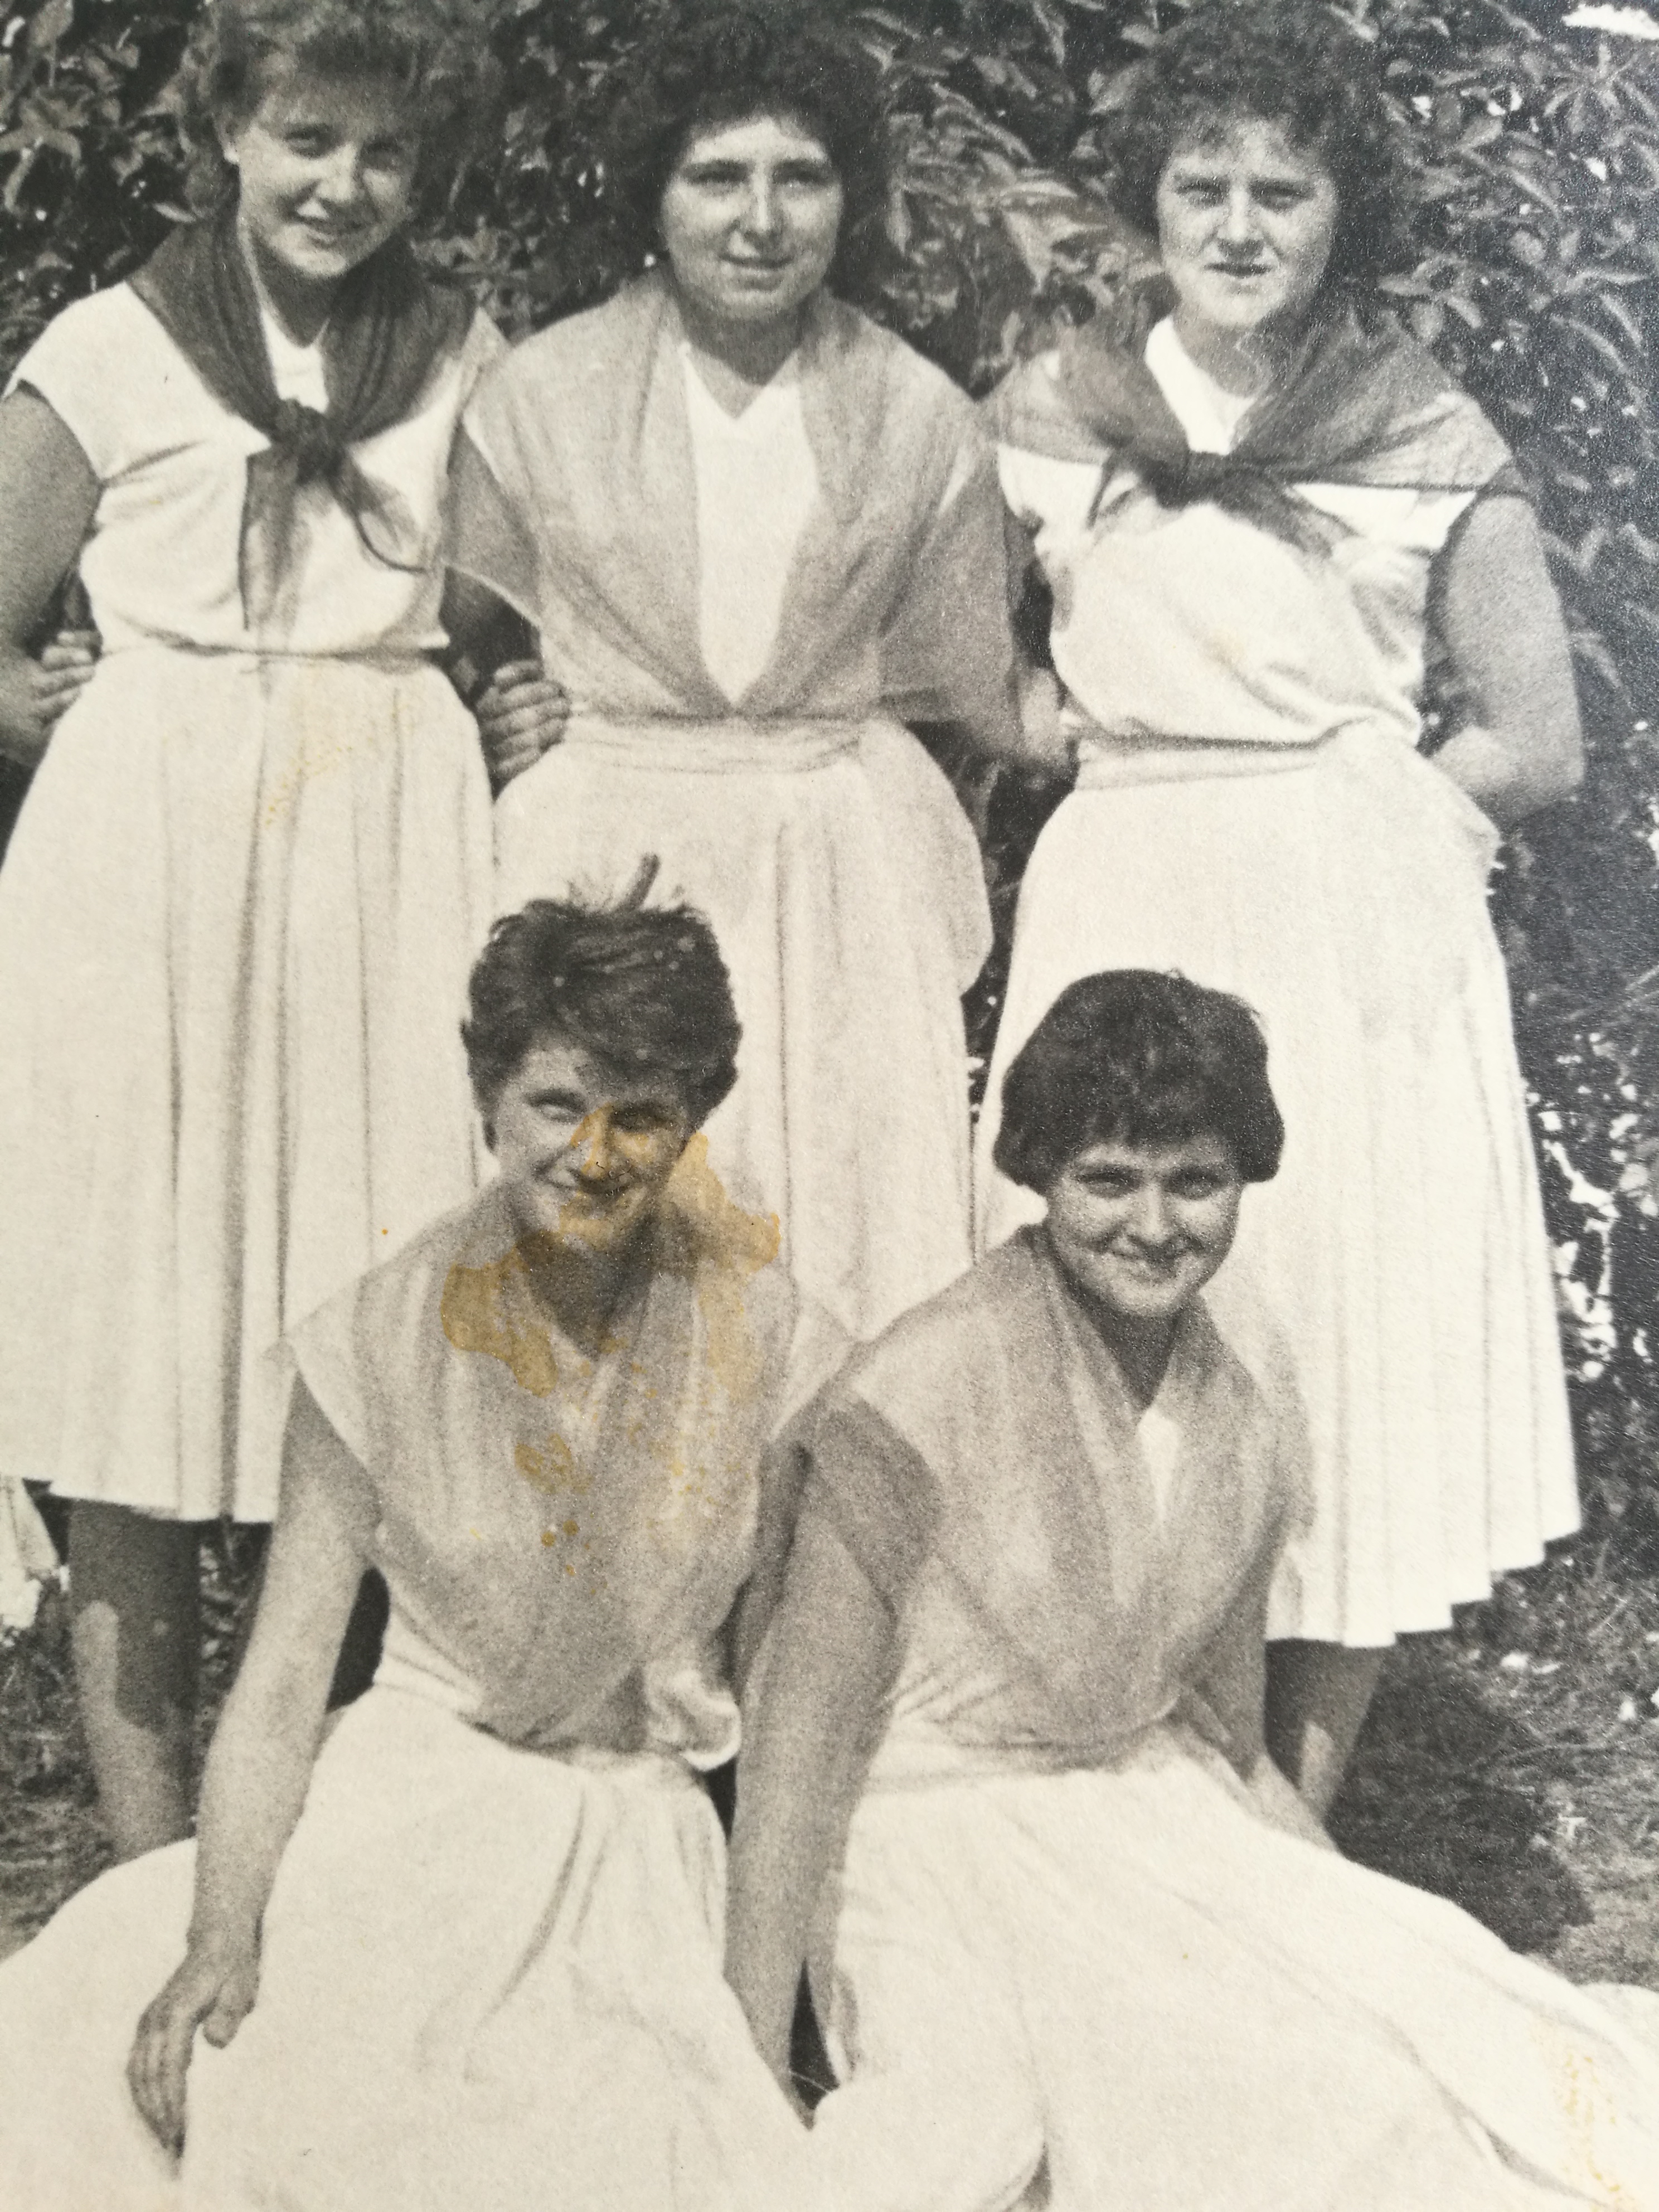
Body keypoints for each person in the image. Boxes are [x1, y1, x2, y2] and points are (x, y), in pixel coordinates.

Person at [727, 971, 1659, 2212]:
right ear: (1041, 1173)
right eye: (1109, 1179)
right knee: (1157, 2113)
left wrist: (1347, 1922)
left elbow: (1229, 1739)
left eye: (1196, 1181)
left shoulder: (1237, 1403)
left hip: (1153, 1799)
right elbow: (792, 1754)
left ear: (1245, 1177)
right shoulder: (920, 1384)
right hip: (939, 1841)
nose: (1155, 1224)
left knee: (1419, 2058)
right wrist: (744, 2059)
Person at [974, 0, 1583, 1812]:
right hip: (1125, 877)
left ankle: (1286, 1806)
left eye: (1283, 193)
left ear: (1340, 216)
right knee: (1103, 1303)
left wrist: (1375, 817)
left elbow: (1536, 735)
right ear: (1148, 205)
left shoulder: (1421, 431)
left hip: (1341, 918)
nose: (1238, 228)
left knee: (1325, 1313)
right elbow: (956, 656)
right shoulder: (1050, 415)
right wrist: (1065, 733)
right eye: (1204, 187)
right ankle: (1107, 1761)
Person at [0, 889, 827, 2212]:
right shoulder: (379, 1333)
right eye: (555, 1102)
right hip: (411, 1801)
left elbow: (791, 1722)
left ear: (696, 1118)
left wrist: (758, 2021)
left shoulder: (773, 1342)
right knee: (277, 2098)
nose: (594, 1152)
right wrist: (221, 1932)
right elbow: (282, 1680)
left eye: (640, 1114)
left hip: (631, 1829)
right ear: (488, 1097)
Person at [0, 0, 505, 1858]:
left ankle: (326, 1838)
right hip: (149, 856)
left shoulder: (463, 354)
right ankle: (148, 1868)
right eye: (306, 139)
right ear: (225, 129)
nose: (342, 185)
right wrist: (29, 702)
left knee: (363, 1305)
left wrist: (514, 697)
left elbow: (507, 610)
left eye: (385, 152)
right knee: (136, 1320)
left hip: (386, 844)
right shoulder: (110, 346)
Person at [447, 4, 1037, 1386]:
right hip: (604, 857)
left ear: (849, 196)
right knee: (599, 1222)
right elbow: (459, 637)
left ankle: (824, 1517)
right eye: (717, 176)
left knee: (833, 1238)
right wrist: (494, 708)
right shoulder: (539, 393)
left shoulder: (920, 411)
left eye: (800, 177)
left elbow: (977, 679)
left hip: (830, 873)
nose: (760, 220)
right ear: (655, 195)